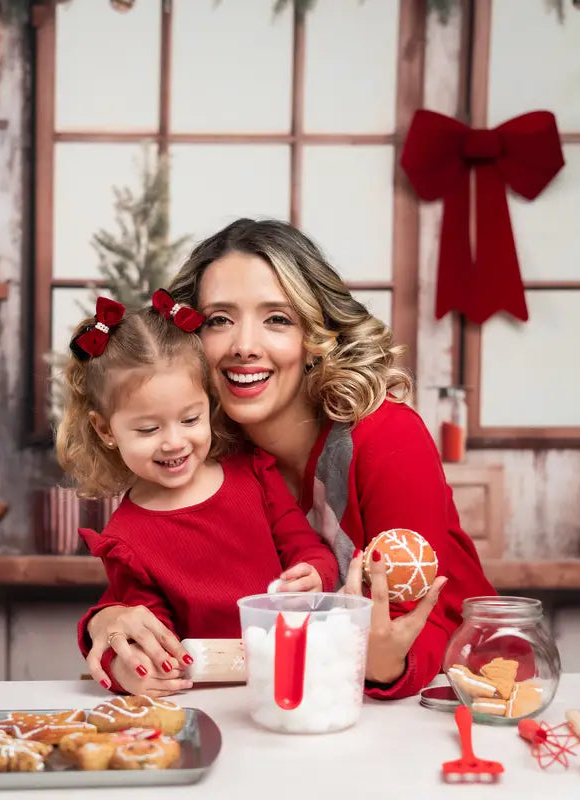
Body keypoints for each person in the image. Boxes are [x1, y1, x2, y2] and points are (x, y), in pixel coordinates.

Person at [82, 218, 499, 700]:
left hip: (460, 693)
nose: (244, 346)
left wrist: (387, 662)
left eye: (277, 319)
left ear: (315, 335)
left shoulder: (387, 437)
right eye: (219, 320)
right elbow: (158, 582)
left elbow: (422, 620)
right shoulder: (206, 458)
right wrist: (106, 622)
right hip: (290, 706)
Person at [56, 289, 339, 697]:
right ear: (105, 430)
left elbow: (307, 548)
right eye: (148, 429)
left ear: (209, 404)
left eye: (190, 419)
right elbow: (144, 636)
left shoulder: (254, 474)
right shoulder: (126, 540)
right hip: (208, 699)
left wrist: (315, 573)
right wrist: (132, 671)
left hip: (295, 680)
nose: (174, 442)